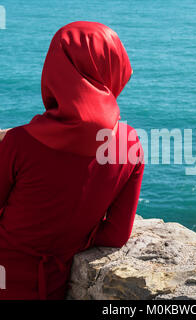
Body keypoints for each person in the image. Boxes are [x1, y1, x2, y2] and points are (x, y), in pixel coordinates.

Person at [0, 21, 144, 300]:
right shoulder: (129, 144)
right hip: (54, 283)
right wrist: (73, 237)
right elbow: (116, 235)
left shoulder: (19, 143)